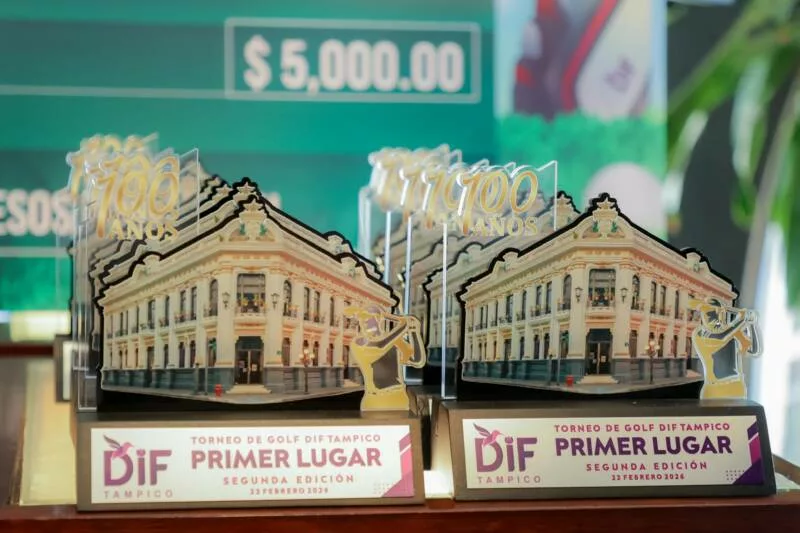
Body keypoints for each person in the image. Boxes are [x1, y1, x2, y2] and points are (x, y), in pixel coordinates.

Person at [345, 305, 426, 411]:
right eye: (362, 319)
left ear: (378, 319)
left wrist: (414, 332)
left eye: (368, 318)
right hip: (374, 401)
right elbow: (380, 346)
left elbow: (416, 360)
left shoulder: (394, 340)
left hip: (399, 398)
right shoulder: (358, 342)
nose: (364, 322)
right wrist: (403, 325)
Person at [689, 297, 761, 399]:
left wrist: (752, 324)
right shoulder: (700, 334)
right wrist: (741, 320)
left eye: (716, 313)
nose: (708, 316)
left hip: (736, 387)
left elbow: (753, 350)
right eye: (707, 313)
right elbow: (721, 338)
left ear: (721, 313)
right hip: (714, 390)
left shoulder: (733, 331)